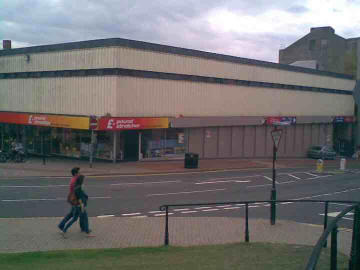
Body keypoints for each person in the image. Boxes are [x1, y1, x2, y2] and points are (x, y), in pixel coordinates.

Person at [58, 167, 81, 236]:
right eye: (79, 172)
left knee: (70, 214)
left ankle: (61, 225)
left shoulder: (73, 179)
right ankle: (64, 230)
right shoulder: (76, 181)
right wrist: (80, 201)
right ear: (76, 173)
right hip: (75, 200)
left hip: (72, 199)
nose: (80, 173)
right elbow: (77, 192)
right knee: (75, 218)